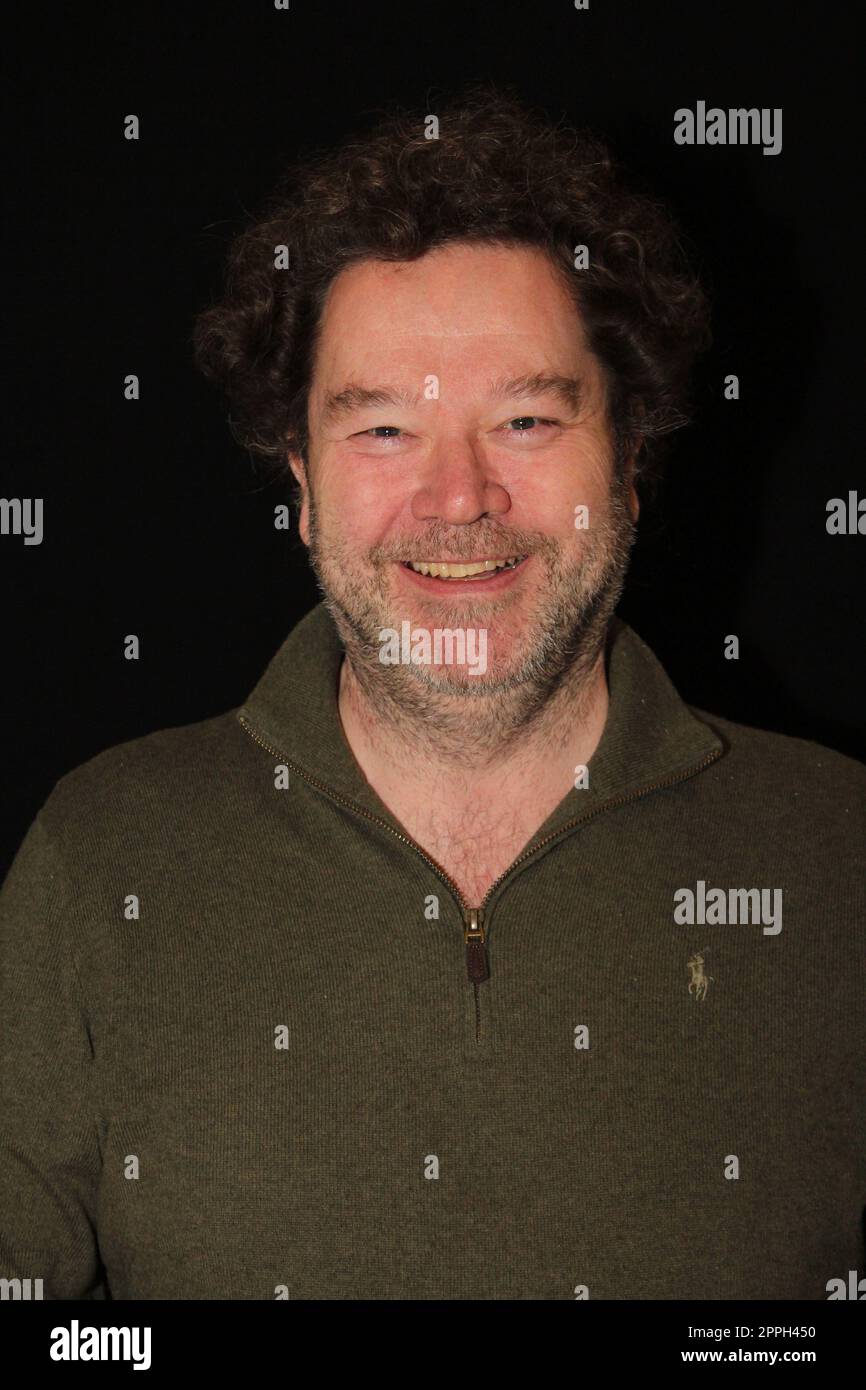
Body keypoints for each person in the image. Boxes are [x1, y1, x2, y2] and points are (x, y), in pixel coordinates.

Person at [1, 85, 863, 1301]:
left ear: (626, 466)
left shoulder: (840, 855)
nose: (457, 498)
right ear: (298, 482)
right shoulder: (98, 861)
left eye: (521, 417)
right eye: (384, 431)